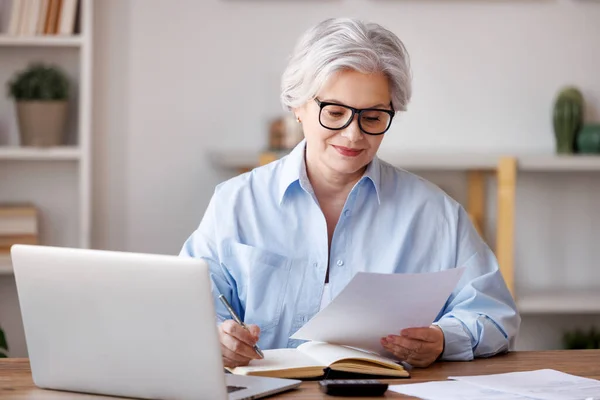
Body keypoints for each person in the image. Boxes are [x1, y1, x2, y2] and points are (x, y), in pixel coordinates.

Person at [180, 17, 520, 369]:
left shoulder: (436, 214)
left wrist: (444, 339)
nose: (353, 135)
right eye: (336, 112)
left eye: (372, 118)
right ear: (297, 106)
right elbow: (185, 309)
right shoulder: (236, 203)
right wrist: (216, 338)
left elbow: (496, 318)